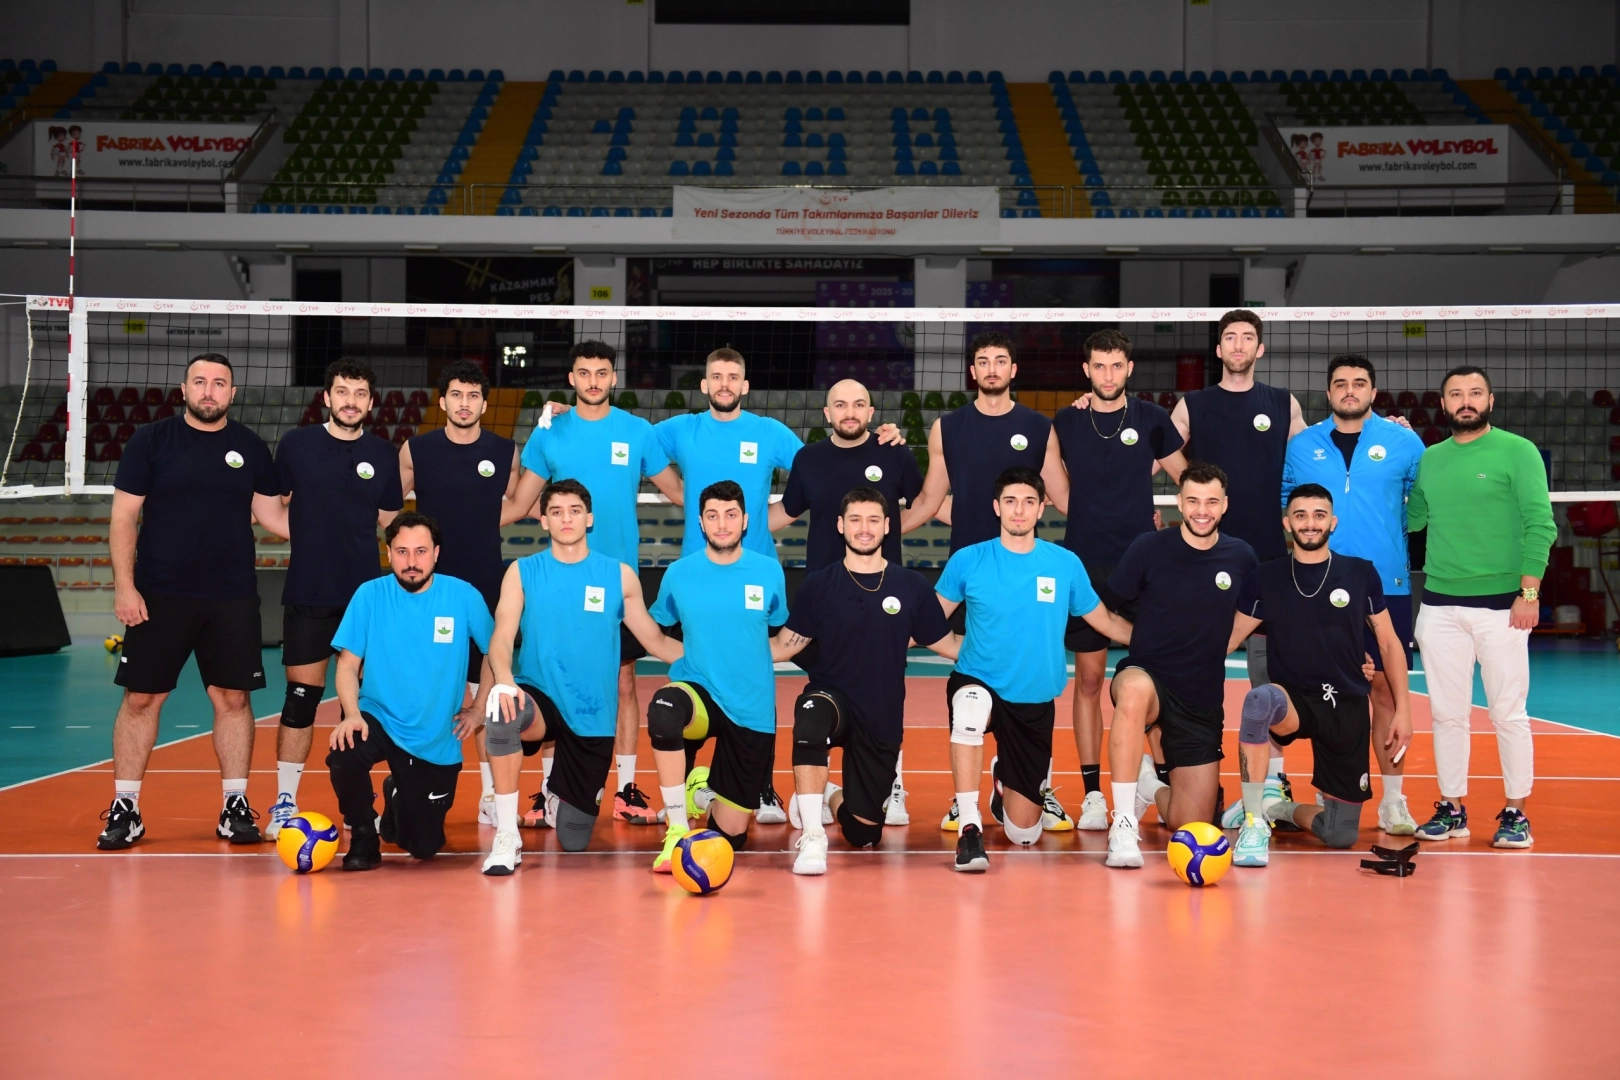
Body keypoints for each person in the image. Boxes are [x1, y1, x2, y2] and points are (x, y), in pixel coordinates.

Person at [95, 353, 288, 851]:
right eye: (200, 381)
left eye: (219, 383)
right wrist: (124, 585)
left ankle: (234, 806)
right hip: (159, 594)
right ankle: (126, 808)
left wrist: (339, 515)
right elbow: (123, 517)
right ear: (184, 389)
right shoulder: (151, 441)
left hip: (231, 596)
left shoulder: (250, 447)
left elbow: (275, 518)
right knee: (141, 699)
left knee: (233, 700)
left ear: (232, 393)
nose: (209, 390)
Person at [506, 341, 684, 827]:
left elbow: (679, 492)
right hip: (560, 580)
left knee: (624, 682)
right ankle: (549, 792)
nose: (593, 381)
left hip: (617, 581)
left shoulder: (637, 431)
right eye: (584, 373)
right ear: (572, 378)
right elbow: (520, 503)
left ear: (613, 377)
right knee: (551, 681)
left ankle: (625, 789)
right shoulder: (550, 431)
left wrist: (735, 516)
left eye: (601, 372)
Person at [902, 330, 1072, 831]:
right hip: (971, 572)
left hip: (1025, 567)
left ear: (1013, 370)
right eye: (983, 361)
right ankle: (965, 796)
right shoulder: (948, 427)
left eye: (1001, 360)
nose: (992, 368)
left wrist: (1133, 515)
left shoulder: (1038, 427)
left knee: (1027, 676)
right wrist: (873, 531)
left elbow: (1064, 497)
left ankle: (1028, 781)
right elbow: (929, 500)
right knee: (972, 683)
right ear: (972, 371)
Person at [478, 479, 684, 875]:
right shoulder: (523, 572)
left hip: (593, 717)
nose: (566, 519)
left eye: (574, 511)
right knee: (503, 712)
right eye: (556, 512)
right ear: (543, 520)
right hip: (541, 698)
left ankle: (558, 794)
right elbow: (501, 637)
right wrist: (504, 678)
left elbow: (656, 641)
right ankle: (507, 835)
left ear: (589, 518)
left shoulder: (618, 575)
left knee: (573, 840)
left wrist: (711, 662)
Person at [934, 467, 1134, 873]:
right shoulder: (969, 560)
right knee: (969, 706)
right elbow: (927, 620)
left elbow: (1105, 621)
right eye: (1010, 501)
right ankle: (969, 828)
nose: (1019, 510)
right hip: (978, 680)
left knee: (1024, 833)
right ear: (997, 507)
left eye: (1028, 502)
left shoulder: (1064, 564)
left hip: (1033, 700)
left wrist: (1159, 642)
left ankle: (1003, 781)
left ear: (1042, 508)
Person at [1263, 354, 1425, 836]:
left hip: (1386, 583)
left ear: (1373, 391)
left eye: (1359, 383)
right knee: (1322, 688)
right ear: (1328, 392)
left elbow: (1418, 506)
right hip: (1318, 585)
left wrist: (1388, 540)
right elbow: (1287, 505)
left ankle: (1393, 801)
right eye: (1340, 383)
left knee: (1385, 689)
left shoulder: (1404, 441)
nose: (1349, 390)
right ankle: (1328, 788)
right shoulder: (1302, 445)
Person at [769, 487, 957, 875]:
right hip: (831, 698)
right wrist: (719, 648)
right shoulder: (819, 585)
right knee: (810, 715)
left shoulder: (912, 586)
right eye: (855, 520)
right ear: (840, 526)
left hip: (880, 716)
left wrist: (1012, 646)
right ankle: (813, 836)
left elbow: (950, 645)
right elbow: (784, 647)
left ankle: (827, 792)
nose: (864, 528)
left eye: (873, 520)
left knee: (863, 833)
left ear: (888, 526)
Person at [1226, 484, 1414, 866]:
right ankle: (1253, 821)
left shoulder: (1360, 573)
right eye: (1300, 515)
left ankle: (1274, 808)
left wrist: (1404, 712)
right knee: (1259, 700)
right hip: (1292, 700)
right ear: (1287, 523)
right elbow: (1226, 639)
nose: (1309, 523)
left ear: (1333, 522)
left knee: (1339, 834)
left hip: (1345, 705)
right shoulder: (1265, 578)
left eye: (1318, 515)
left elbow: (1389, 643)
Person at [1408, 366, 1555, 849]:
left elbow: (1541, 524)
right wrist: (1399, 450)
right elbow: (1413, 519)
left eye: (1475, 393)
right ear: (1443, 404)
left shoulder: (1518, 451)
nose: (1465, 401)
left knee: (1508, 714)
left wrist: (1529, 593)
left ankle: (1516, 813)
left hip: (1502, 608)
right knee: (1446, 715)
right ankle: (1452, 808)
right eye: (1456, 394)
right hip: (1439, 606)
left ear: (1490, 401)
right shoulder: (1430, 458)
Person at [769, 378, 925, 825]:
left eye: (859, 404)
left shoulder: (894, 452)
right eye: (840, 404)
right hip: (824, 601)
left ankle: (890, 785)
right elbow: (787, 512)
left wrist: (883, 534)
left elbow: (924, 502)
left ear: (872, 412)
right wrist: (726, 527)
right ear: (827, 413)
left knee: (886, 693)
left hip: (882, 600)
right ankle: (818, 788)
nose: (850, 411)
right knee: (824, 691)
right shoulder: (809, 459)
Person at [1048, 328, 1187, 830]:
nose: (1108, 375)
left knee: (1151, 678)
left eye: (1116, 365)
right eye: (1099, 366)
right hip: (1085, 566)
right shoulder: (1066, 421)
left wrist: (1177, 529)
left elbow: (1187, 478)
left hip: (1143, 566)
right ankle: (1091, 794)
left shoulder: (1151, 419)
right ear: (1086, 370)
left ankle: (1159, 779)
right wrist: (1096, 514)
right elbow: (1060, 493)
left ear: (1129, 368)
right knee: (1088, 680)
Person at [263, 359, 403, 839]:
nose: (350, 401)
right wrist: (302, 536)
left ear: (371, 402)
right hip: (309, 592)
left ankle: (362, 808)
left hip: (365, 600)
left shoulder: (382, 453)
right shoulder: (296, 444)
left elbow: (391, 520)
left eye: (360, 393)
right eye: (342, 391)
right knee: (300, 699)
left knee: (360, 707)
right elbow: (270, 505)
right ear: (326, 397)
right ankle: (285, 801)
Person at [1104, 462, 1257, 869]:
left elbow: (1260, 613)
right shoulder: (1148, 548)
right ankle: (1123, 823)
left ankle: (1148, 786)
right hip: (1148, 677)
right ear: (1179, 502)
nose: (1201, 511)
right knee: (1133, 691)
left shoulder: (1241, 557)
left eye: (1211, 502)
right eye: (1193, 501)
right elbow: (1103, 608)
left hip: (1199, 698)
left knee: (1189, 823)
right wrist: (1138, 638)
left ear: (1225, 505)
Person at [326, 512, 493, 870]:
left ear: (436, 553)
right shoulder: (370, 595)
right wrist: (352, 715)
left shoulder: (463, 596)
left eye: (421, 551)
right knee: (345, 752)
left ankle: (397, 793)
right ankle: (364, 837)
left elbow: (497, 652)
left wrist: (479, 709)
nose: (411, 562)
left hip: (435, 736)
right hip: (380, 717)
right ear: (389, 553)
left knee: (423, 846)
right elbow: (347, 666)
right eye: (402, 552)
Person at [642, 481, 789, 872]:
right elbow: (655, 631)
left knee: (730, 838)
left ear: (745, 521)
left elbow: (779, 632)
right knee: (664, 708)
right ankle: (676, 828)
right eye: (712, 516)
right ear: (701, 522)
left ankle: (702, 791)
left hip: (751, 707)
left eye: (730, 515)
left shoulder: (768, 571)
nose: (722, 524)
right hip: (699, 693)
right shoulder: (679, 573)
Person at [399, 360, 519, 827]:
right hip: (430, 589)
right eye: (456, 395)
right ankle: (411, 783)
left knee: (489, 694)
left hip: (485, 584)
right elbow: (387, 507)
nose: (464, 404)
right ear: (443, 400)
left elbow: (520, 504)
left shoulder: (504, 452)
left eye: (473, 396)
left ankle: (491, 794)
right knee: (428, 691)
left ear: (484, 404)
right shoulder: (417, 450)